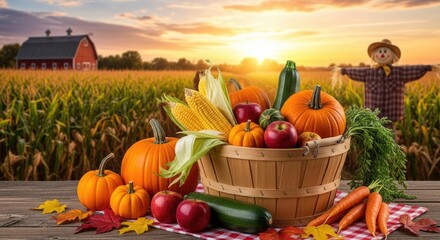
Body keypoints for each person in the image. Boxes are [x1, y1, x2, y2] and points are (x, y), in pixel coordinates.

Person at [332, 39, 439, 130]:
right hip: (373, 117)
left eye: (385, 51)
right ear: (374, 55)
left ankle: (392, 155)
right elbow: (356, 72)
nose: (382, 53)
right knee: (374, 139)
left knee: (390, 138)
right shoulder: (368, 72)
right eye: (380, 51)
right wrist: (343, 70)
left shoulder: (399, 72)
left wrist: (428, 67)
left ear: (392, 56)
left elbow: (412, 70)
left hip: (390, 117)